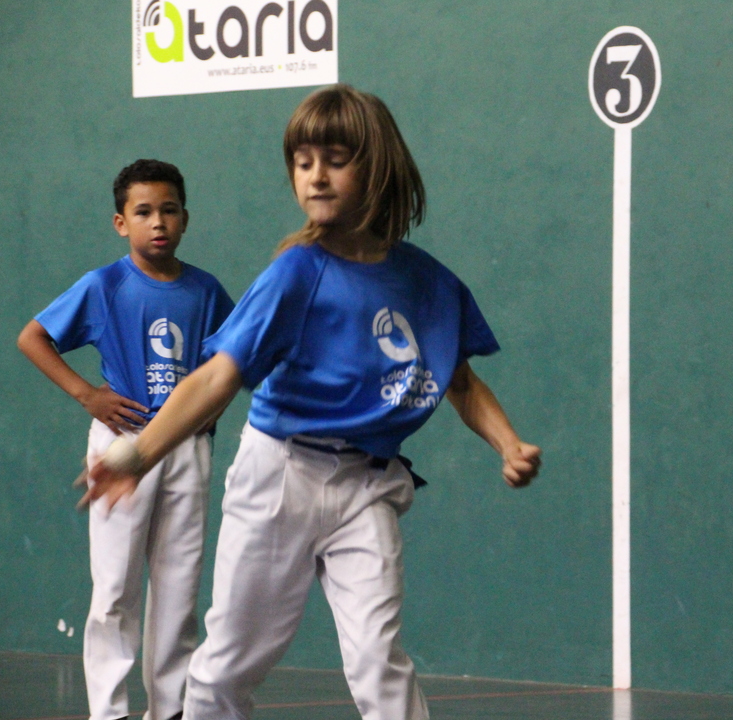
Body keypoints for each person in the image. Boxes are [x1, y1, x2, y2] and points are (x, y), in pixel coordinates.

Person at [84, 86, 542, 720]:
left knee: (379, 659)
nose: (315, 176)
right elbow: (215, 380)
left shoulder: (429, 282)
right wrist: (139, 454)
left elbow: (459, 381)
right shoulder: (296, 272)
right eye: (303, 163)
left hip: (368, 484)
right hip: (280, 476)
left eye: (334, 160)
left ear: (376, 166)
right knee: (226, 667)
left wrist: (508, 443)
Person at [18, 159, 235, 720]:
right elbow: (32, 337)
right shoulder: (104, 285)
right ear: (121, 223)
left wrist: (209, 414)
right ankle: (110, 712)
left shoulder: (207, 291)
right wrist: (87, 394)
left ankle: (170, 710)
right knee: (115, 588)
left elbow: (232, 365)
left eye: (169, 210)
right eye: (143, 212)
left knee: (179, 588)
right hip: (121, 445)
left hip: (185, 448)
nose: (157, 222)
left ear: (185, 218)